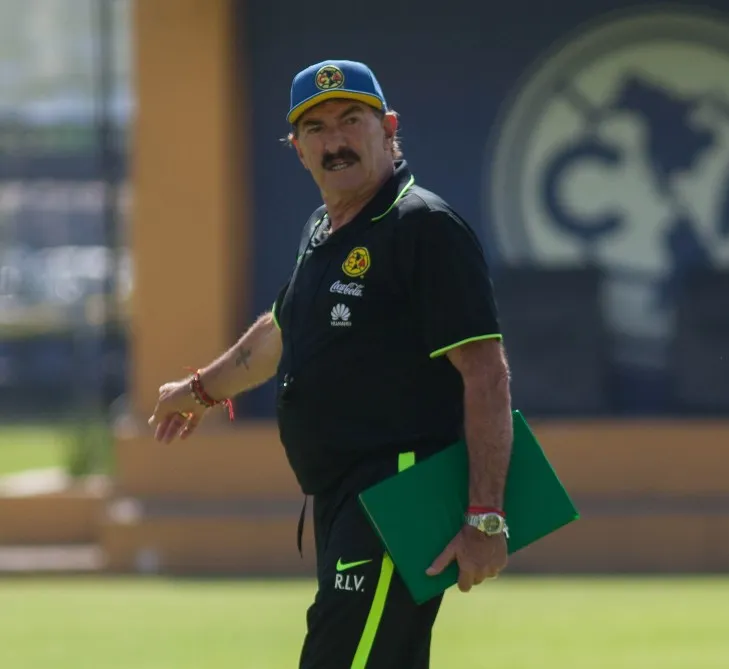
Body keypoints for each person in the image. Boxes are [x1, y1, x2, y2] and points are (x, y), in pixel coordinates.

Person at [147, 59, 514, 669]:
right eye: (315, 127)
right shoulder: (323, 229)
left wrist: (486, 518)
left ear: (388, 128)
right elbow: (276, 334)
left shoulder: (423, 225)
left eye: (351, 120)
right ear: (296, 148)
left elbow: (487, 373)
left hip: (398, 489)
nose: (335, 140)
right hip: (344, 496)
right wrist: (199, 390)